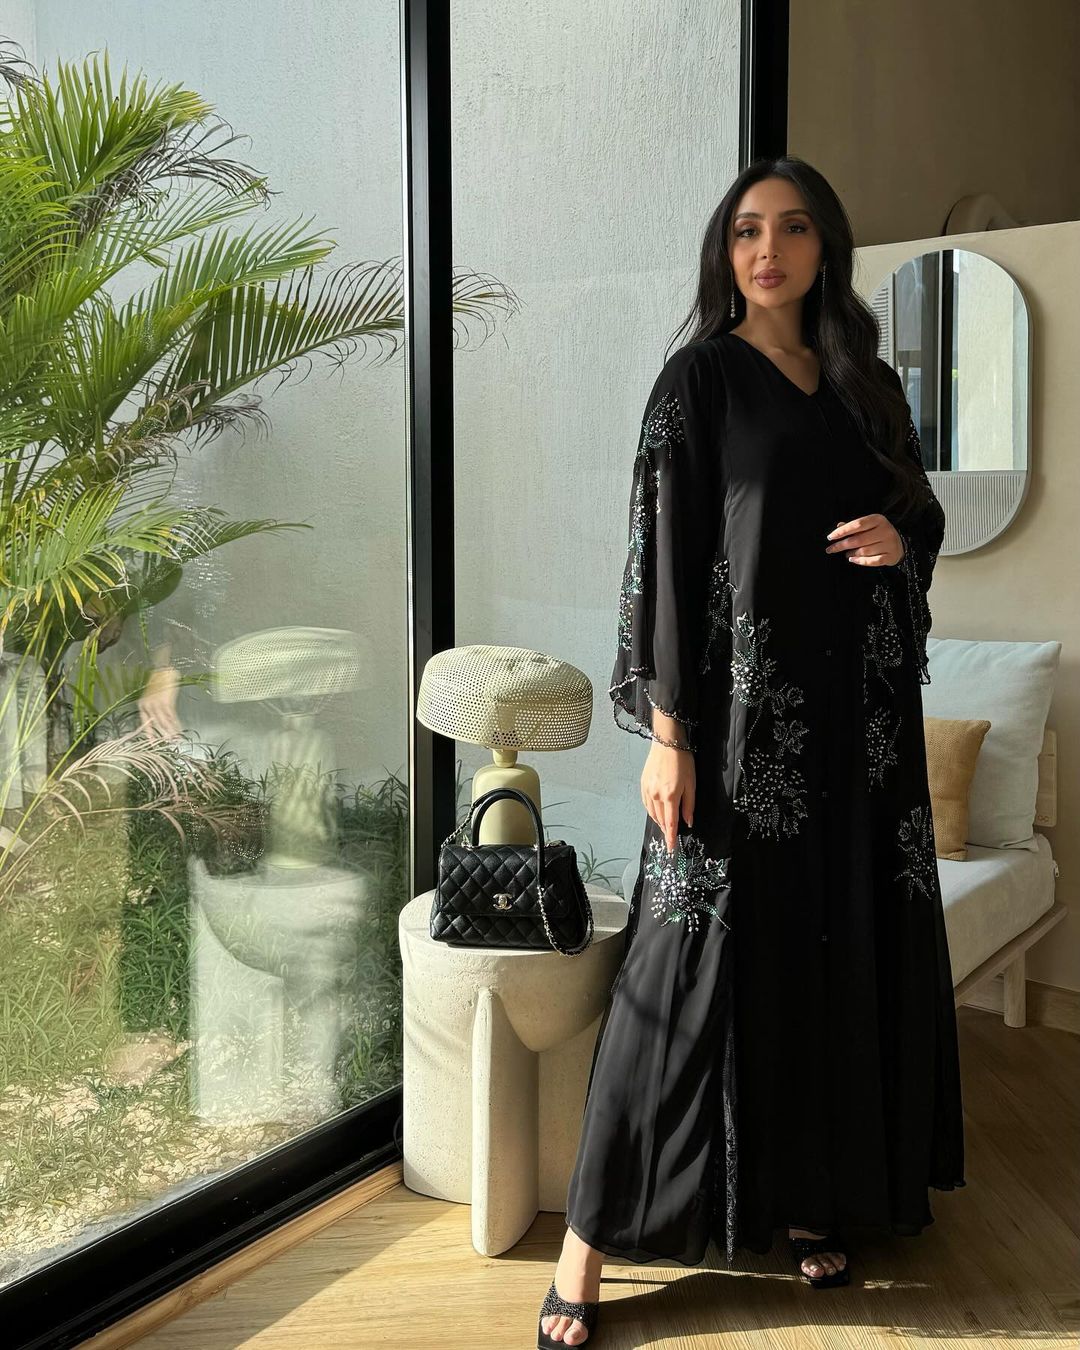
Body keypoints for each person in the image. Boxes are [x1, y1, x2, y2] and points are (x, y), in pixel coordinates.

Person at [537, 156, 965, 1348]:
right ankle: (585, 1247)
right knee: (679, 971)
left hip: (859, 738)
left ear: (826, 247)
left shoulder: (866, 385)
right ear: (724, 253)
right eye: (744, 232)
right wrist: (669, 736)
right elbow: (663, 560)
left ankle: (818, 1198)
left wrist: (901, 541)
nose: (766, 251)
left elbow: (920, 512)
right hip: (738, 741)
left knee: (838, 953)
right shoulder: (700, 383)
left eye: (791, 229)